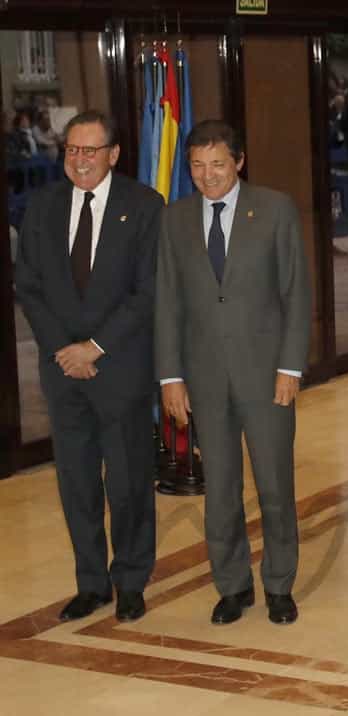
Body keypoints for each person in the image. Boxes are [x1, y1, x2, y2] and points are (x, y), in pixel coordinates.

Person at [156, 119, 312, 626]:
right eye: (197, 167)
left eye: (218, 164)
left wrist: (291, 365)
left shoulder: (273, 209)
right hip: (203, 379)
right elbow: (167, 303)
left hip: (268, 375)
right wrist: (170, 377)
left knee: (273, 484)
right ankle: (232, 585)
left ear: (239, 162)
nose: (207, 176)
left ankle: (280, 583)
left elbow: (295, 293)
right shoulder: (175, 220)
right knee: (219, 487)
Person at [14, 110, 162, 624]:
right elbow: (28, 284)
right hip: (62, 371)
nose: (79, 161)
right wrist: (65, 349)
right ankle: (91, 583)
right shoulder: (42, 207)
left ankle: (131, 580)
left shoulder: (144, 207)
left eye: (90, 151)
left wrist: (94, 347)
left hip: (119, 368)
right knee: (76, 482)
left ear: (114, 155)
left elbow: (148, 292)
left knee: (128, 483)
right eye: (72, 150)